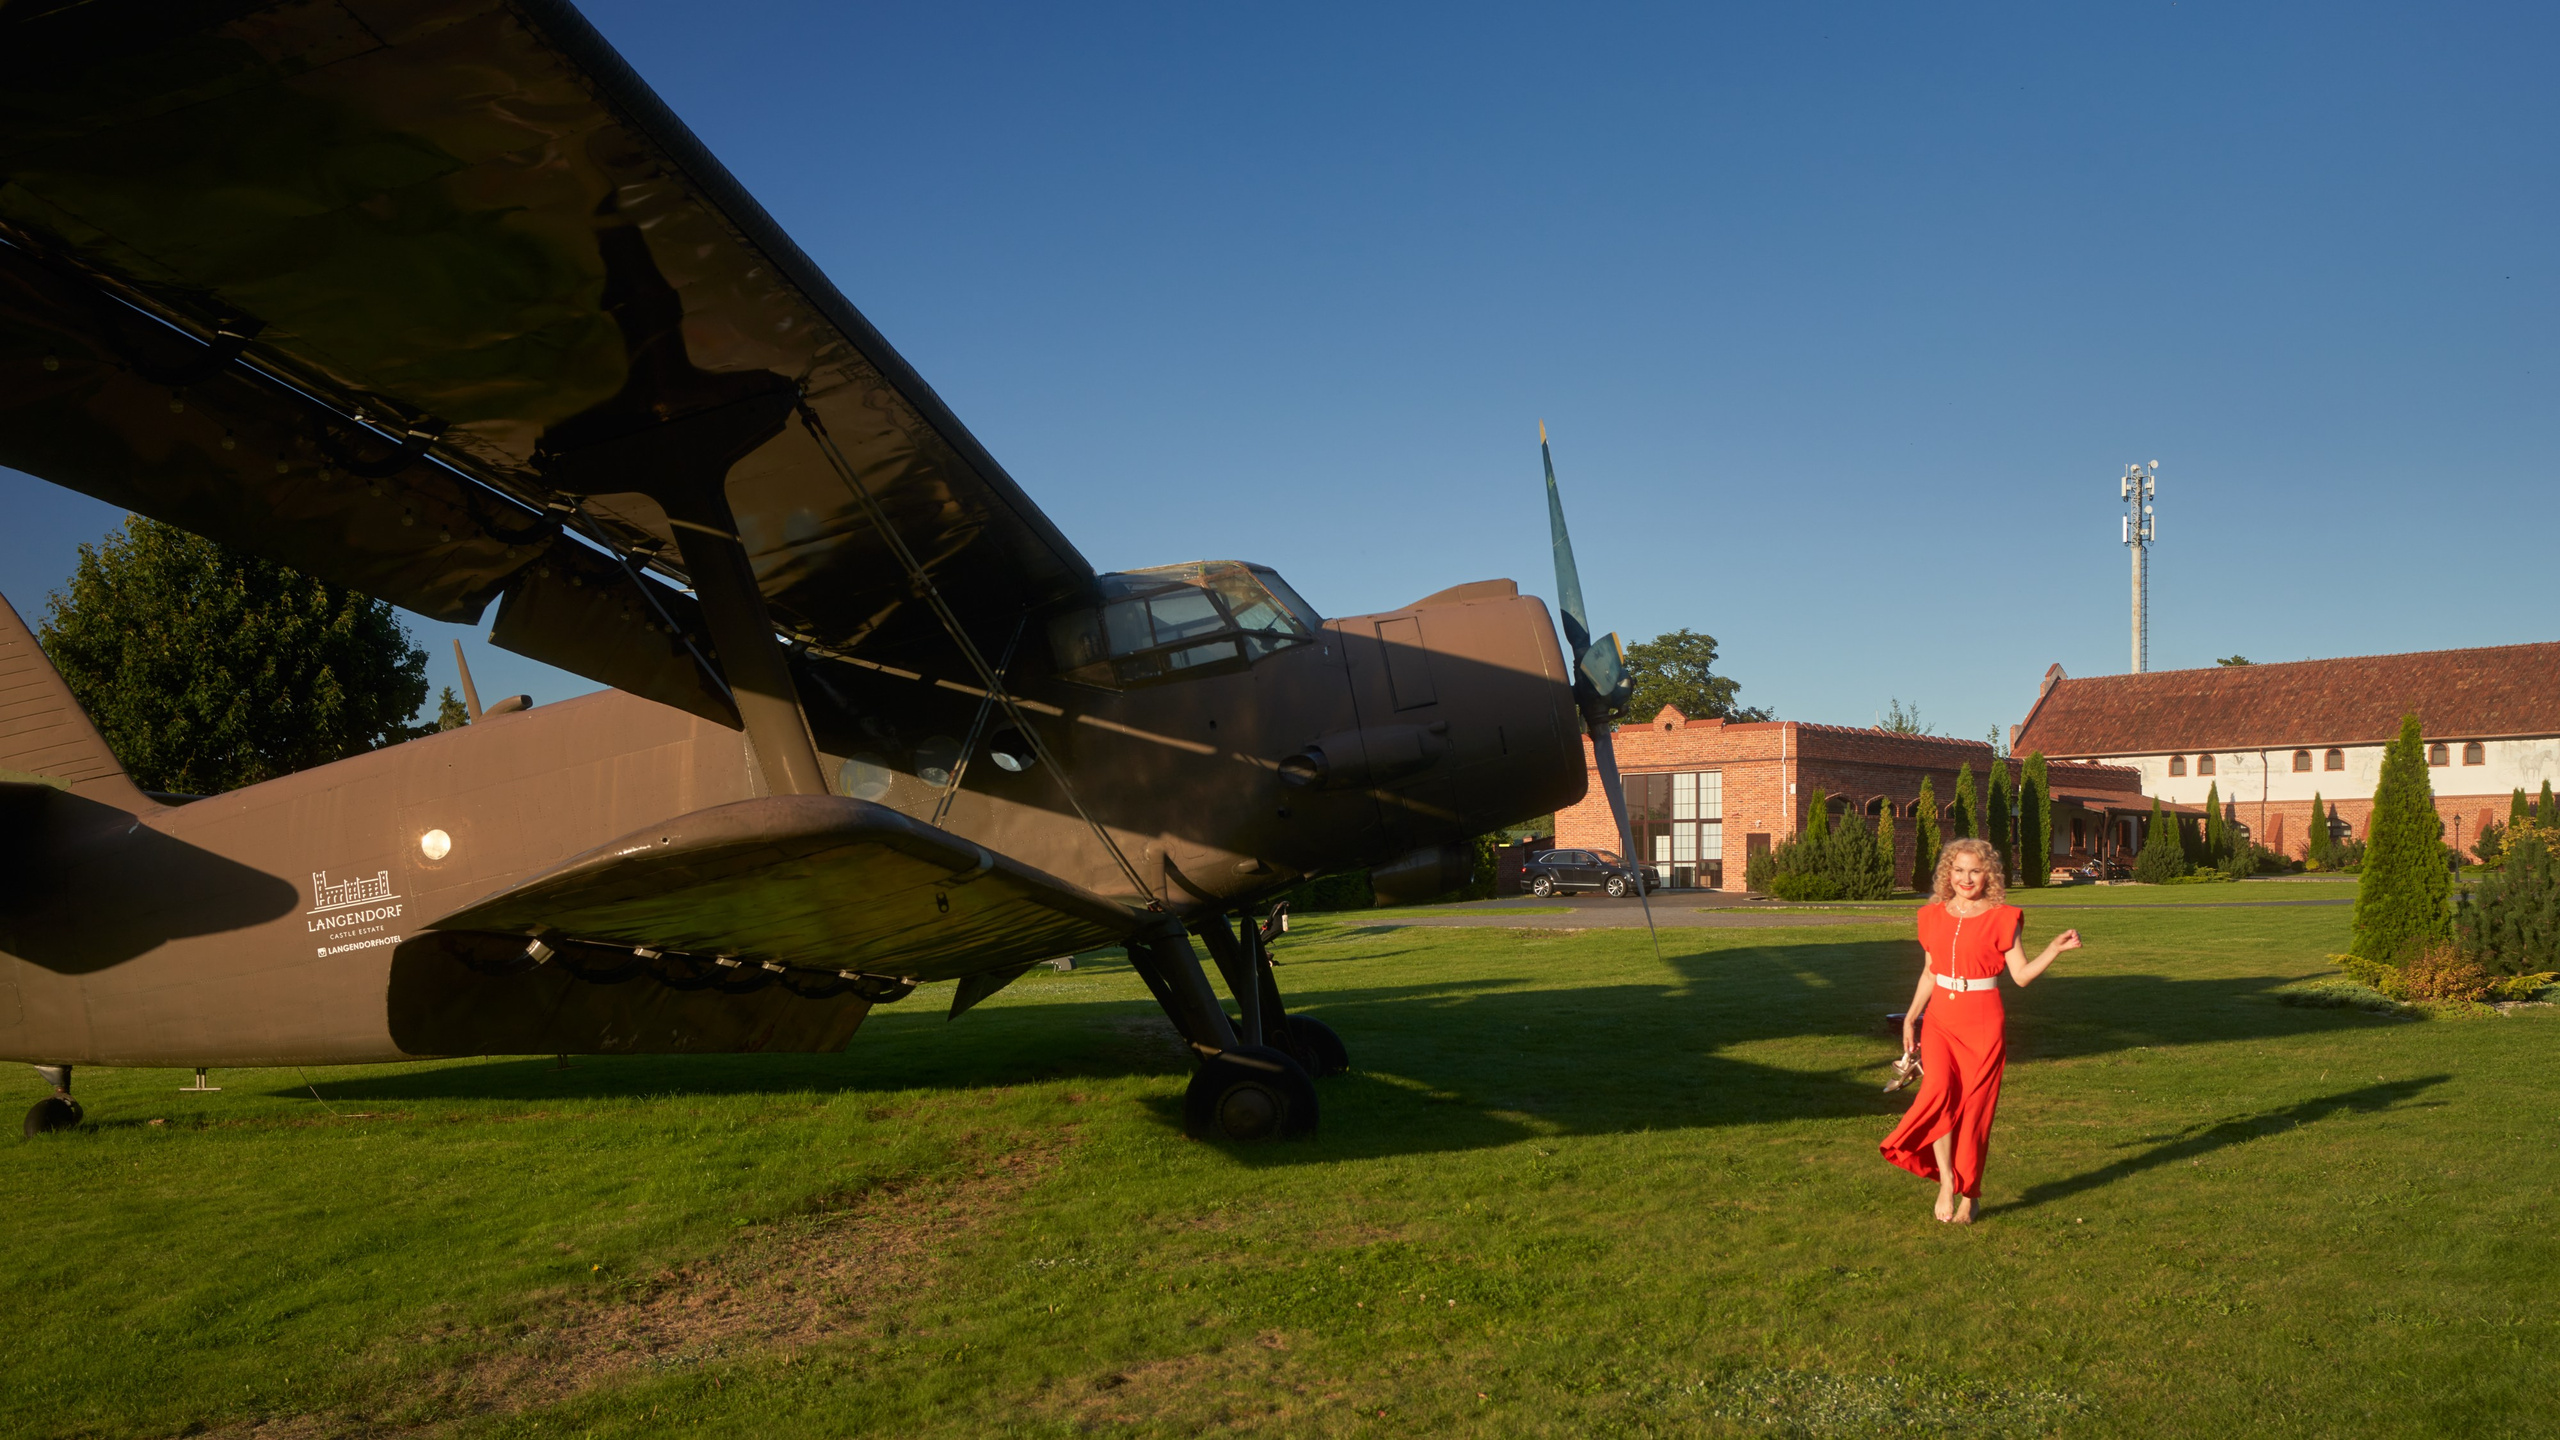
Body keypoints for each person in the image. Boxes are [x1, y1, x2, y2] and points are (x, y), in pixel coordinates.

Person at [1879, 837, 2080, 1223]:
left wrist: (2053, 950)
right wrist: (1910, 1017)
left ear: (1988, 874)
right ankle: (1947, 1183)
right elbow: (1929, 972)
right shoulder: (1931, 915)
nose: (1965, 878)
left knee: (1974, 1112)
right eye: (1958, 870)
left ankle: (1970, 1194)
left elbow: (2019, 976)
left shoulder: (2004, 917)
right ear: (1947, 873)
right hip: (1939, 1019)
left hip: (1983, 1021)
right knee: (1937, 1095)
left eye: (1974, 870)